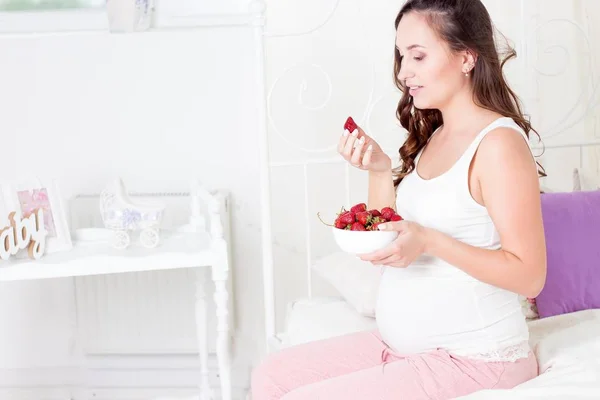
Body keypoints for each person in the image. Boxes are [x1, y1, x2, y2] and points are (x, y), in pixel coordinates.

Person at [251, 0, 547, 398]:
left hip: (479, 360)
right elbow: (390, 235)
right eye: (401, 55)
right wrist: (378, 170)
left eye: (418, 55)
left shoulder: (498, 145)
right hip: (405, 349)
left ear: (466, 57)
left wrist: (431, 241)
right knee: (273, 375)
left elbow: (530, 275)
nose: (404, 71)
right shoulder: (435, 136)